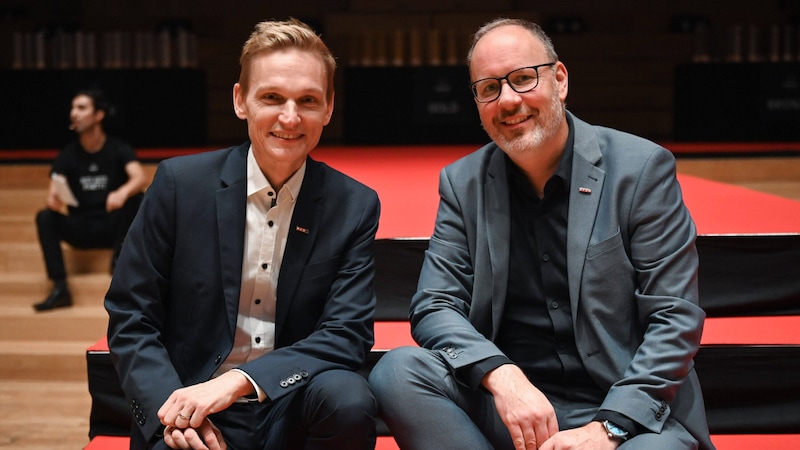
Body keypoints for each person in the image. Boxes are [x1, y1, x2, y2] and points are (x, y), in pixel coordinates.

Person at [369, 17, 715, 450]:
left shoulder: (640, 169)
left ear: (560, 79)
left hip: (623, 413)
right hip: (514, 411)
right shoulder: (464, 183)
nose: (508, 100)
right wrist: (502, 376)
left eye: (522, 79)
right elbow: (435, 305)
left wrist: (605, 429)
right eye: (489, 88)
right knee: (397, 373)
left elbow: (675, 317)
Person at [104, 18, 380, 450]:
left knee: (349, 399)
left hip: (289, 400)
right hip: (190, 398)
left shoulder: (355, 204)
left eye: (307, 100)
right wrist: (170, 416)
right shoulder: (179, 184)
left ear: (328, 108)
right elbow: (132, 315)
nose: (290, 117)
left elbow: (347, 334)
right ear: (240, 100)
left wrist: (242, 380)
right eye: (272, 97)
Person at [34, 89, 147, 312]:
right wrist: (54, 200)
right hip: (82, 227)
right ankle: (60, 287)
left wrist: (122, 192)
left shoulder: (117, 148)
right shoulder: (68, 154)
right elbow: (54, 188)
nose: (74, 113)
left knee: (138, 198)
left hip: (113, 226)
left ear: (98, 115)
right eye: (73, 108)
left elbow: (140, 177)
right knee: (45, 217)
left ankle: (120, 258)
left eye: (82, 108)